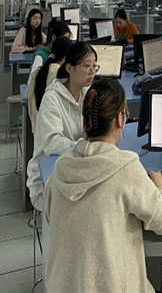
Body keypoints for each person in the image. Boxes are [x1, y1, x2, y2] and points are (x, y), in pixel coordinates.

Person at [44, 78, 162, 292]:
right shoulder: (125, 168)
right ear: (119, 120)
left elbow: (51, 215)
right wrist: (160, 188)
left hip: (64, 285)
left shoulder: (61, 167)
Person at [26, 42, 98, 210]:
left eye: (95, 66)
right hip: (46, 179)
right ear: (69, 68)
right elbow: (52, 143)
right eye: (87, 66)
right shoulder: (52, 99)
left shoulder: (87, 94)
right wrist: (84, 147)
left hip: (74, 168)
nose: (92, 71)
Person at [27, 36, 72, 134]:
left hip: (39, 127)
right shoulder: (57, 73)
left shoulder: (41, 70)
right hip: (51, 128)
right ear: (66, 57)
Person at [27, 20, 72, 91]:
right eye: (64, 39)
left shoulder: (62, 54)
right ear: (54, 37)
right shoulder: (41, 55)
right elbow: (31, 82)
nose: (66, 42)